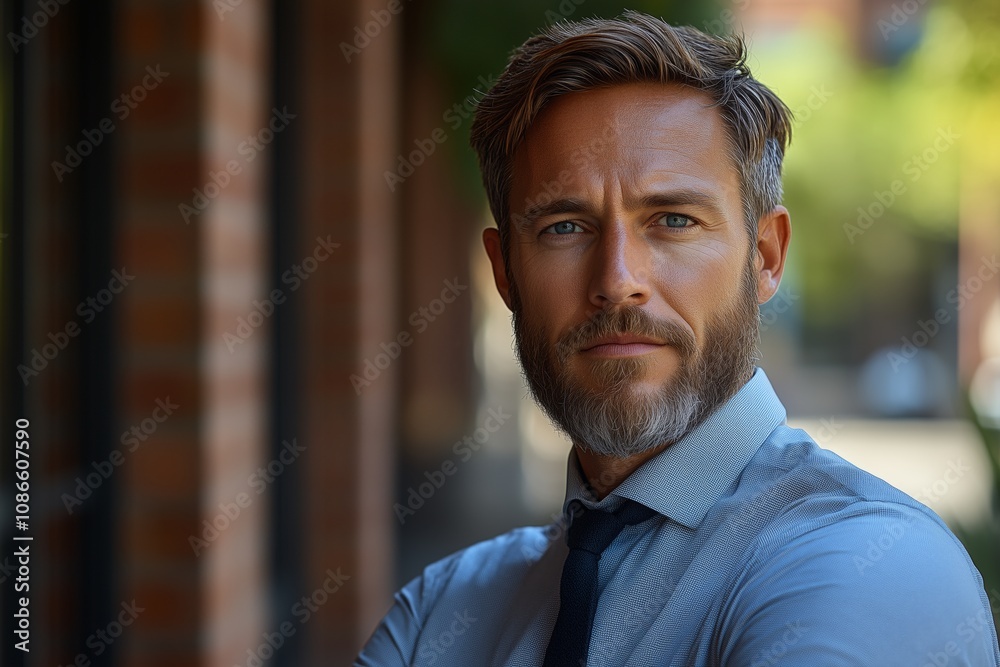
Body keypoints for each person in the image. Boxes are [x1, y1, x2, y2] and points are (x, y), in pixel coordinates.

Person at [356, 11, 1000, 666]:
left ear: (766, 257)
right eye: (565, 227)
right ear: (505, 272)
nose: (617, 281)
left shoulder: (867, 564)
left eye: (671, 219)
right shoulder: (440, 611)